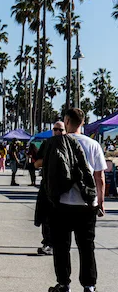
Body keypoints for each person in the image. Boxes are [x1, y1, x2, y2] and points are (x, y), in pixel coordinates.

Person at [46, 108, 106, 292]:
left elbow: (48, 175)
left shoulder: (56, 143)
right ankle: (89, 285)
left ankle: (64, 284)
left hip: (62, 203)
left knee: (61, 245)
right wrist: (101, 202)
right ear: (83, 122)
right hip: (87, 205)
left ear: (66, 121)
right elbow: (100, 178)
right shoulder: (93, 145)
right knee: (87, 246)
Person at [34, 121, 65, 257]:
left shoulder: (70, 144)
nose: (58, 132)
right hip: (47, 185)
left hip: (65, 187)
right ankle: (48, 243)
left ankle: (57, 244)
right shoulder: (47, 144)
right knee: (45, 215)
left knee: (60, 217)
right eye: (55, 129)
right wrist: (49, 159)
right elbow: (36, 163)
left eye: (61, 130)